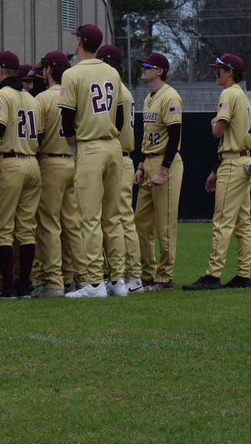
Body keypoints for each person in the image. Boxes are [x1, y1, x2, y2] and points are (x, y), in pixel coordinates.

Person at [59, 24, 128, 299]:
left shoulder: (72, 73)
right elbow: (121, 118)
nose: (74, 41)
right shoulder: (111, 71)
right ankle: (119, 281)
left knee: (89, 218)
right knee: (113, 218)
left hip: (90, 147)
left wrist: (77, 143)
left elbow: (66, 119)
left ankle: (95, 283)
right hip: (113, 145)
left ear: (81, 42)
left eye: (76, 37)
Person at [184, 54, 251, 291]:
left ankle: (213, 275)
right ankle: (243, 276)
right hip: (244, 161)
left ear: (230, 72)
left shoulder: (229, 93)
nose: (217, 72)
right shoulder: (243, 97)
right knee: (243, 224)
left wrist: (213, 121)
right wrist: (215, 169)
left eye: (220, 69)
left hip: (234, 164)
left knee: (222, 221)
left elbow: (218, 131)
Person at [0, 50, 42, 298]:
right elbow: (41, 134)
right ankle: (24, 284)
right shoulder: (31, 98)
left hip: (9, 162)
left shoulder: (0, 95)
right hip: (32, 162)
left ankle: (8, 285)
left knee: (3, 227)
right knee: (27, 228)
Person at [134, 53, 184, 291]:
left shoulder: (170, 95)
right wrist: (141, 165)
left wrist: (163, 170)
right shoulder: (148, 98)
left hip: (167, 162)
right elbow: (146, 136)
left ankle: (164, 278)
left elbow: (175, 135)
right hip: (149, 160)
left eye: (147, 66)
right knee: (141, 223)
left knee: (164, 224)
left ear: (160, 71)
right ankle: (148, 274)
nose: (143, 69)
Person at [33, 50, 80, 298]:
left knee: (49, 224)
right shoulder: (74, 94)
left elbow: (37, 135)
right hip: (72, 161)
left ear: (49, 70)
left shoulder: (42, 98)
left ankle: (54, 281)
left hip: (50, 162)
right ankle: (74, 277)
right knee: (72, 223)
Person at [96, 44, 143, 295]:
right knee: (117, 217)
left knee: (123, 217)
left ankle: (133, 275)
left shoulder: (118, 91)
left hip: (121, 156)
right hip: (120, 156)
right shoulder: (119, 88)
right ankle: (122, 274)